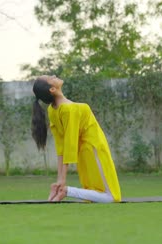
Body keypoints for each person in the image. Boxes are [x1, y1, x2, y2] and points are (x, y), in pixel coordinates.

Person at [31, 75, 121, 203]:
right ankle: (66, 191)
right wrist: (62, 181)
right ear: (52, 89)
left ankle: (59, 190)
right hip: (94, 149)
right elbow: (69, 144)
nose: (54, 76)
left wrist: (60, 179)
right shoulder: (69, 109)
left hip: (86, 153)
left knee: (96, 192)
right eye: (50, 78)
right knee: (112, 197)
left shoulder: (54, 110)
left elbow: (61, 146)